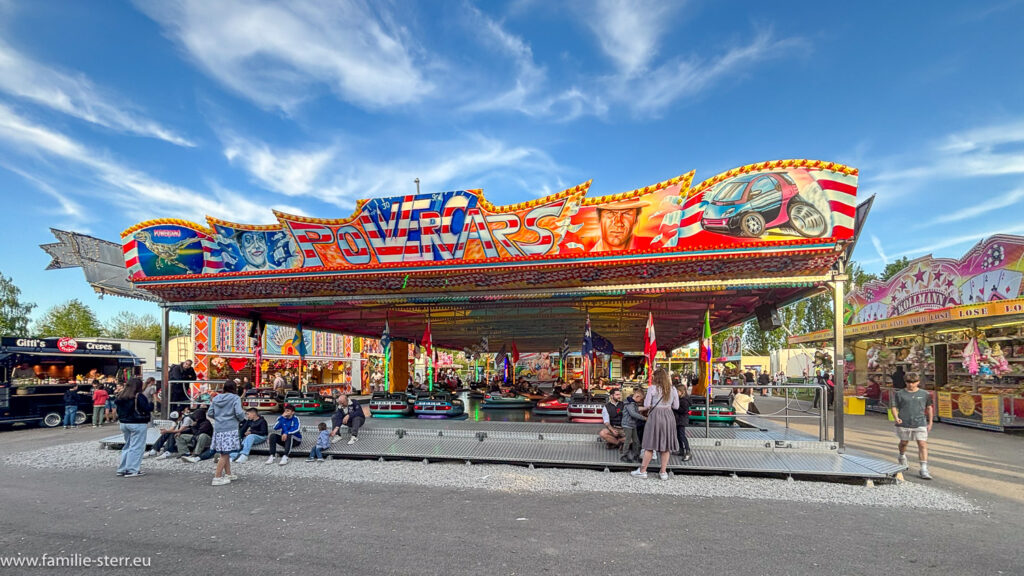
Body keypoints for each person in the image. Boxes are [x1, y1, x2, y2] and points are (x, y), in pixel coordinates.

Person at [632, 368, 679, 480]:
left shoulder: (652, 388)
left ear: (655, 378)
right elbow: (676, 406)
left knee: (650, 444)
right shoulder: (673, 389)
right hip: (668, 416)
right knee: (666, 446)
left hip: (655, 416)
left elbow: (647, 404)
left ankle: (643, 471)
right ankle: (663, 472)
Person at [891, 372, 934, 480]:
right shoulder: (899, 394)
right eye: (909, 382)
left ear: (918, 382)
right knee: (904, 442)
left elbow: (929, 408)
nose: (911, 385)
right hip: (904, 422)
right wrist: (896, 417)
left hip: (920, 422)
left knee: (922, 443)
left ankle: (924, 468)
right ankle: (902, 455)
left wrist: (930, 422)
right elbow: (894, 407)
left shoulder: (925, 394)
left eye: (914, 382)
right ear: (905, 382)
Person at [206, 380, 245, 486]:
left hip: (219, 428)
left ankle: (228, 474)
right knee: (225, 454)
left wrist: (218, 418)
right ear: (234, 388)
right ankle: (217, 477)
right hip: (230, 428)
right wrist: (240, 419)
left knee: (225, 452)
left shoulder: (216, 398)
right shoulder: (235, 398)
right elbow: (239, 412)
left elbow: (210, 413)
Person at [115, 377, 152, 478]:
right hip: (138, 423)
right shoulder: (138, 396)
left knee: (127, 445)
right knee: (137, 447)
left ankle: (122, 469)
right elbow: (147, 408)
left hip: (124, 423)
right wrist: (151, 404)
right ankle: (132, 470)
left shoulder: (121, 395)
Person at [620, 389, 646, 463]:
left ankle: (636, 455)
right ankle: (624, 455)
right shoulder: (630, 404)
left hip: (632, 424)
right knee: (628, 440)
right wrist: (644, 418)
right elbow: (633, 413)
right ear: (637, 396)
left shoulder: (632, 403)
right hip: (627, 425)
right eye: (640, 399)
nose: (640, 401)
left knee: (636, 441)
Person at [673, 384, 692, 461]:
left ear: (682, 392)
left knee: (682, 435)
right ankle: (681, 450)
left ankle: (687, 451)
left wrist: (674, 408)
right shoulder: (680, 399)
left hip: (681, 420)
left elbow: (683, 410)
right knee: (678, 435)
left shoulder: (684, 400)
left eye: (677, 391)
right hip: (679, 419)